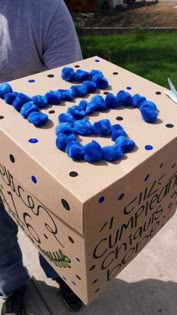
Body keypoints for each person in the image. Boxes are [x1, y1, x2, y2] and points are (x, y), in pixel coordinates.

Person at [0, 0, 84, 314]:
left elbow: (68, 87)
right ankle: (12, 286)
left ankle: (62, 275)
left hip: (41, 148)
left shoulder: (47, 8)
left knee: (53, 226)